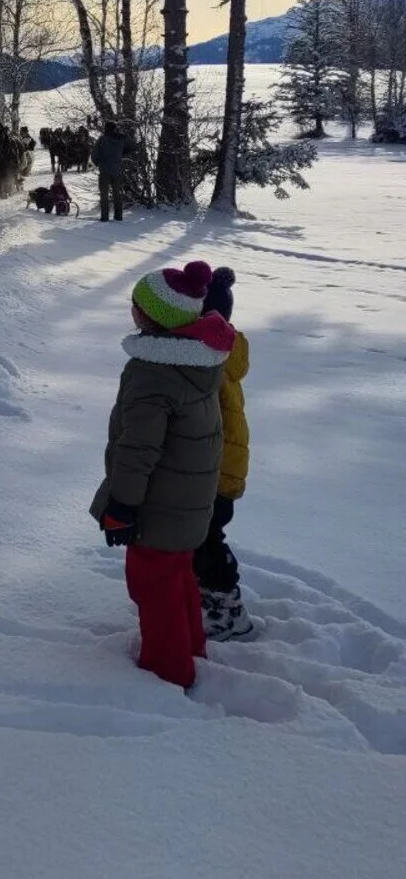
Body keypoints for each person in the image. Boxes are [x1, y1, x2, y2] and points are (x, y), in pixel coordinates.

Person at [91, 260, 235, 690]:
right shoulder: (198, 361)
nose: (132, 310)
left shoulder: (154, 374)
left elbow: (138, 450)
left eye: (136, 304)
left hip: (156, 507)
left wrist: (121, 505)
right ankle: (190, 650)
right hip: (187, 505)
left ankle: (167, 674)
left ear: (150, 317)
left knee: (154, 589)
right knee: (178, 580)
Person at [193, 268, 256, 640]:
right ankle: (210, 596)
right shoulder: (226, 355)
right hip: (225, 471)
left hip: (215, 474)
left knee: (207, 539)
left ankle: (227, 609)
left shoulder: (210, 365)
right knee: (206, 536)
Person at [91, 119, 135, 222]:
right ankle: (118, 216)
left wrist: (98, 163)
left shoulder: (102, 139)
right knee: (117, 195)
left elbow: (94, 154)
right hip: (117, 170)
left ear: (106, 128)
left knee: (104, 195)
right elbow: (133, 147)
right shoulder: (121, 138)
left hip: (105, 171)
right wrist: (121, 155)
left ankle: (105, 217)